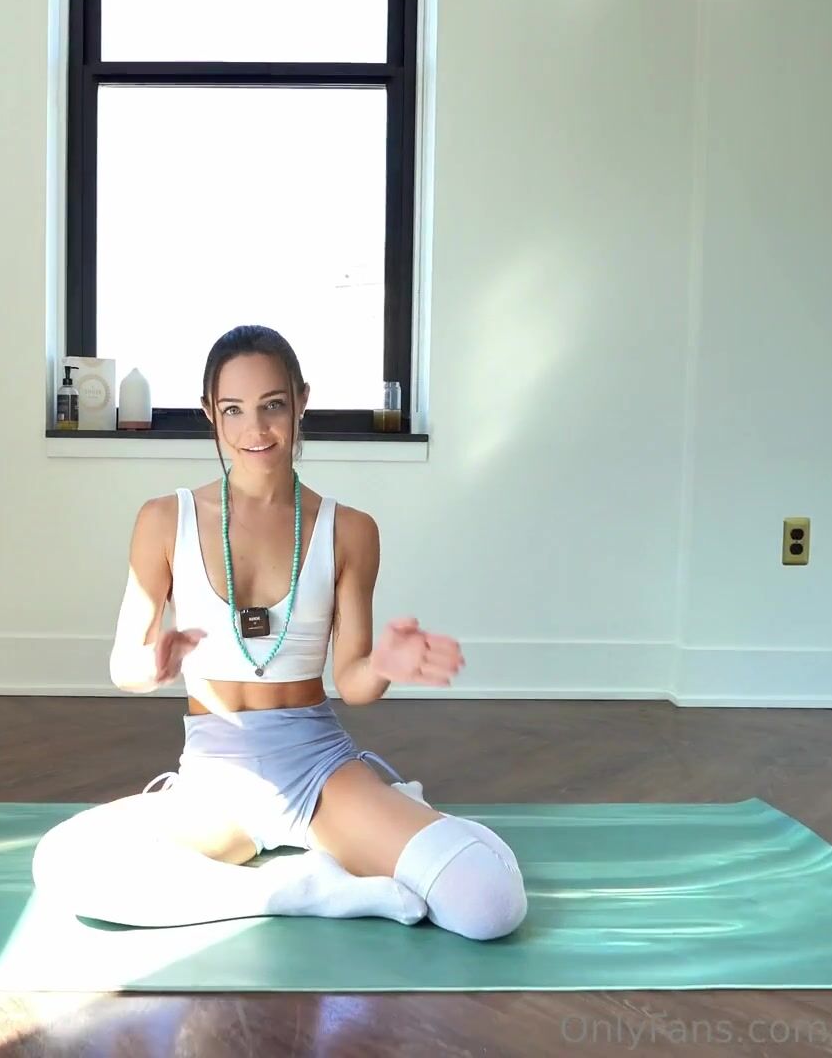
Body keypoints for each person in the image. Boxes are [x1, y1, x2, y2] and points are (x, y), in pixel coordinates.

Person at [30, 325, 528, 941]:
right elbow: (123, 667)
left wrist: (384, 665)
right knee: (64, 863)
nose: (256, 429)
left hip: (320, 771)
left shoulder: (350, 530)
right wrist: (154, 666)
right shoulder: (163, 520)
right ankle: (307, 891)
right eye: (233, 410)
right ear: (209, 412)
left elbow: (352, 682)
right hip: (215, 777)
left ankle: (375, 836)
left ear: (300, 401)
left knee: (490, 904)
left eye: (272, 405)